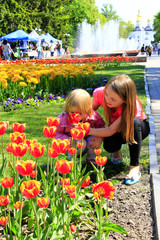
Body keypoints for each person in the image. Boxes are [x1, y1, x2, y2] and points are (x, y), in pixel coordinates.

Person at [88, 74, 150, 184]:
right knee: (109, 146)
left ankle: (134, 167)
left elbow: (111, 129)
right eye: (106, 94)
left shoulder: (132, 106)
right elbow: (88, 112)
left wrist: (87, 130)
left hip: (136, 130)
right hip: (115, 128)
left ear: (125, 100)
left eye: (113, 99)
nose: (107, 99)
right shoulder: (101, 93)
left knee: (134, 123)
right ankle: (116, 150)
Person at [55, 89, 105, 163]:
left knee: (93, 140)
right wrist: (66, 140)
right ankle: (69, 161)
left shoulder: (93, 116)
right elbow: (57, 133)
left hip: (87, 139)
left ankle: (91, 158)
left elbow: (101, 127)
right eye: (72, 112)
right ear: (68, 109)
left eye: (79, 113)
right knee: (81, 142)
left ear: (87, 110)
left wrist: (100, 139)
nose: (75, 116)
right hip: (71, 143)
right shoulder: (63, 119)